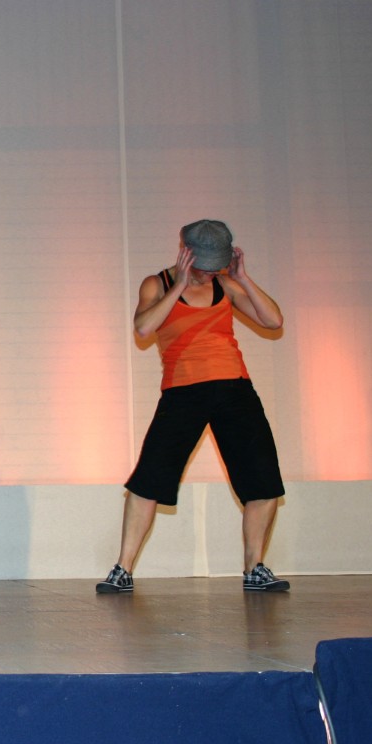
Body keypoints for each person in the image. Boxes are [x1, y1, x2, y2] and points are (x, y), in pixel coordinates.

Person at [97, 219, 290, 594]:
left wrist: (243, 278)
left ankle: (254, 568)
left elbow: (274, 320)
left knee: (263, 481)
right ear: (185, 253)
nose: (208, 272)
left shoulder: (226, 285)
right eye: (203, 265)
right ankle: (123, 569)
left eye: (215, 266)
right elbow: (143, 328)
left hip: (235, 388)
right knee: (148, 480)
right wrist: (180, 285)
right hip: (183, 391)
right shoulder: (158, 284)